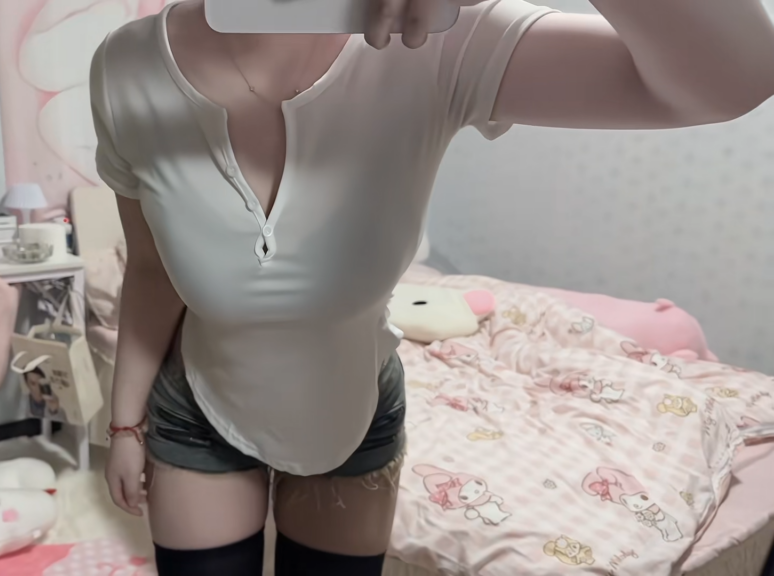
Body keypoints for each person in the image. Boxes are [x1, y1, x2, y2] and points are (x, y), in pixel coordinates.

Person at [90, 0, 774, 574]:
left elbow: (734, 80)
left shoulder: (436, 42)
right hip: (199, 408)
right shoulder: (127, 67)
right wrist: (124, 424)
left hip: (353, 409)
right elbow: (150, 269)